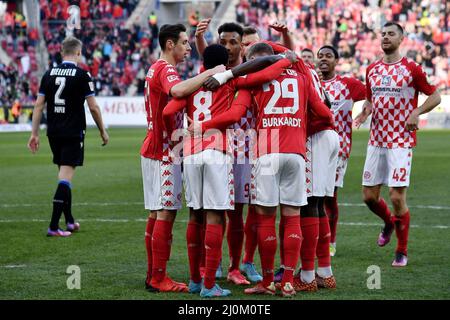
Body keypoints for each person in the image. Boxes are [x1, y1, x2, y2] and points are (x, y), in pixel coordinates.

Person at [195, 42, 334, 297]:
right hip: (296, 153)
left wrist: (203, 126)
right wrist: (301, 130)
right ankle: (289, 280)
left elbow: (236, 114)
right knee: (292, 214)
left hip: (267, 152)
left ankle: (268, 280)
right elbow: (325, 114)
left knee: (265, 217)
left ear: (254, 61)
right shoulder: (302, 77)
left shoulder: (252, 82)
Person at [163, 44, 295, 297]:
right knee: (215, 217)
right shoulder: (231, 81)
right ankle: (210, 285)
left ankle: (194, 280)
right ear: (227, 63)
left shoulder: (192, 83)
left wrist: (174, 138)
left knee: (194, 215)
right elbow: (242, 105)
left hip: (190, 152)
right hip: (217, 151)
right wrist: (284, 59)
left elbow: (169, 111)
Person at [141, 23, 226, 293]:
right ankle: (158, 277)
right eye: (184, 43)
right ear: (170, 45)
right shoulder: (166, 69)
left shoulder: (155, 67)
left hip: (154, 146)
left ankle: (153, 274)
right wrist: (211, 72)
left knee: (157, 212)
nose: (189, 48)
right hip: (165, 149)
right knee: (166, 212)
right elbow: (177, 92)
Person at [354, 22, 441, 267]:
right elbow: (371, 100)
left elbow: (435, 96)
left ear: (401, 39)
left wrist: (417, 112)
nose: (385, 37)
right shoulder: (371, 69)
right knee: (369, 197)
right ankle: (389, 223)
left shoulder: (411, 68)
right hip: (376, 140)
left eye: (391, 33)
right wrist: (365, 111)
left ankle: (401, 251)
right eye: (383, 33)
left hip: (400, 141)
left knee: (395, 197)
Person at [27, 36, 109, 237]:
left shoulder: (48, 74)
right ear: (79, 53)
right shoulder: (82, 75)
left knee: (63, 174)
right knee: (65, 177)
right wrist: (102, 130)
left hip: (53, 132)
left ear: (61, 52)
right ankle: (54, 226)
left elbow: (38, 106)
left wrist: (34, 133)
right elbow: (94, 108)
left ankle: (69, 221)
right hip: (72, 132)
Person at [318, 45, 366, 256]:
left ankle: (331, 241)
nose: (323, 59)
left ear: (336, 61)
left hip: (339, 149)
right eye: (320, 56)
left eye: (328, 56)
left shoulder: (347, 84)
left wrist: (366, 111)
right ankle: (316, 236)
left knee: (330, 197)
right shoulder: (311, 83)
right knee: (313, 197)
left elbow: (372, 92)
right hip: (312, 145)